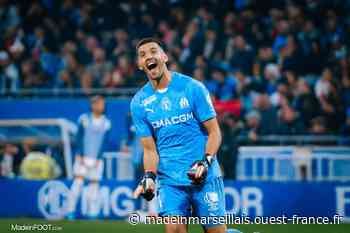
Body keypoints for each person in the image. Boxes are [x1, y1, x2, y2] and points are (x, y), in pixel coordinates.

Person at [130, 38, 228, 233]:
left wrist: (206, 162)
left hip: (203, 176)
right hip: (170, 181)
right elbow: (149, 150)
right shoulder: (139, 103)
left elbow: (214, 132)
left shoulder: (193, 88)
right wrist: (149, 176)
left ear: (164, 57)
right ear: (141, 66)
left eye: (153, 51)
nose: (148, 56)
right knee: (174, 230)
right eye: (143, 55)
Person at [67, 95, 111, 219]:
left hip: (97, 160)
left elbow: (104, 142)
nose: (102, 106)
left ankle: (93, 213)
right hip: (82, 158)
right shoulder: (84, 119)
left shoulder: (106, 122)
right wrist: (80, 154)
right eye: (99, 104)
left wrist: (99, 158)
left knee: (94, 187)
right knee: (77, 184)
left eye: (103, 104)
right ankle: (70, 212)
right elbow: (78, 138)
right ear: (93, 105)